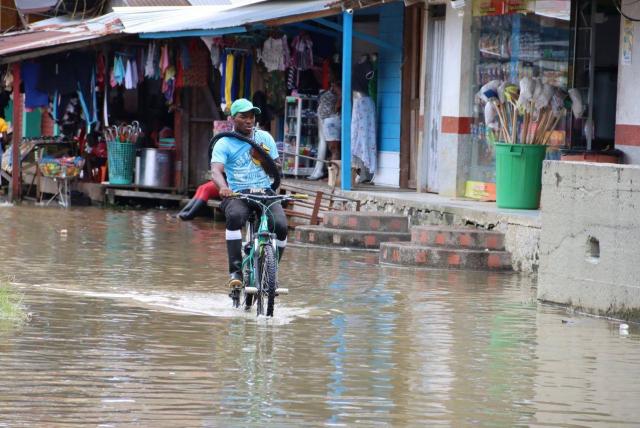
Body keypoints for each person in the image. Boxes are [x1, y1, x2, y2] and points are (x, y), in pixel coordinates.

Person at [211, 98, 287, 289]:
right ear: (232, 119)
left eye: (252, 116)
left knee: (281, 226)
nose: (249, 120)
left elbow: (278, 170)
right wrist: (223, 187)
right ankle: (235, 272)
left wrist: (262, 158)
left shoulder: (264, 138)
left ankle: (272, 269)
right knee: (235, 217)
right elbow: (216, 171)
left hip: (265, 191)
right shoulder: (224, 142)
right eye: (243, 116)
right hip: (238, 194)